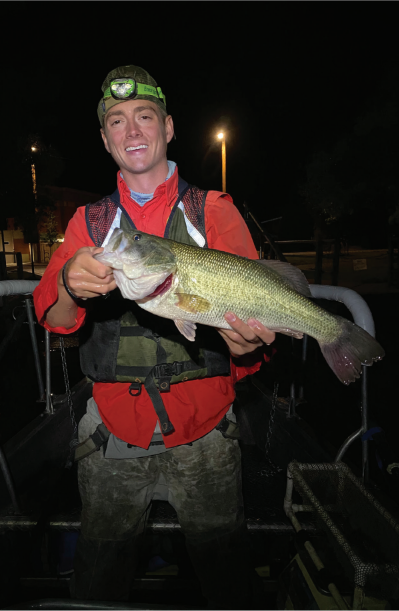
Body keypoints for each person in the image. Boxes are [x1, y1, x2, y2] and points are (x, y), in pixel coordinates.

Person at [33, 65, 275, 609]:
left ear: (168, 128)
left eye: (145, 117)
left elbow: (255, 318)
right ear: (104, 138)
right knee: (100, 577)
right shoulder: (91, 223)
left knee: (226, 577)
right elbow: (53, 313)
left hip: (208, 434)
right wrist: (70, 281)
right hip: (112, 435)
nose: (133, 130)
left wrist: (249, 345)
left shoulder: (214, 210)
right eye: (117, 121)